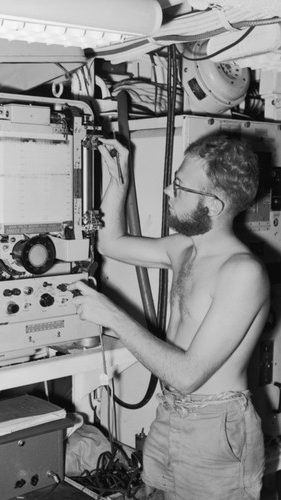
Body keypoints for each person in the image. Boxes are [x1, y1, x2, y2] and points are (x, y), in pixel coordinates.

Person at [68, 134, 270, 499]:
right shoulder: (183, 248)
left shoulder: (242, 272)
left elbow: (188, 374)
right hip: (171, 413)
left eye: (178, 186)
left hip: (216, 430)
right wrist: (119, 181)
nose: (166, 191)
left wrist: (112, 316)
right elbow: (109, 243)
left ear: (212, 203)